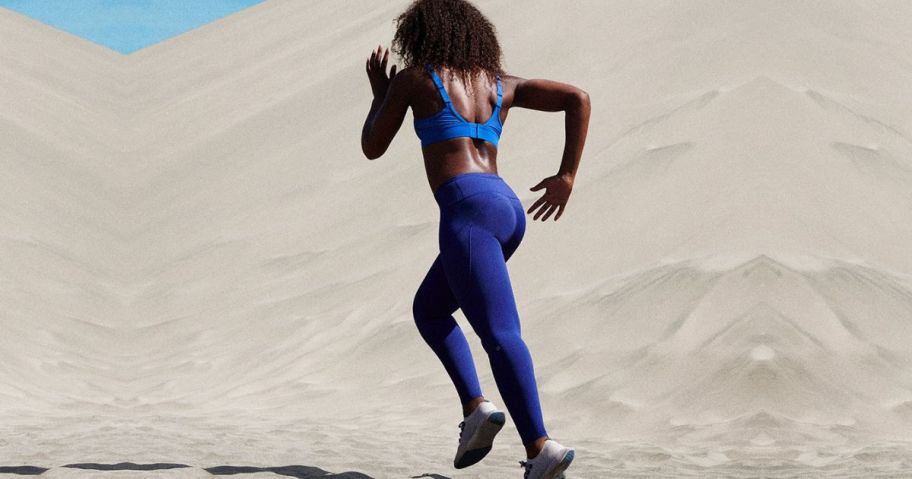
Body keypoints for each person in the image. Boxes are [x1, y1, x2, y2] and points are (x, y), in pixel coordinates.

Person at [361, 1, 590, 477]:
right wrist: (567, 175)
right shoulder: (499, 83)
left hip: (466, 209)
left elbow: (371, 147)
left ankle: (541, 445)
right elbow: (577, 98)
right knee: (430, 308)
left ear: (422, 36)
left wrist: (381, 95)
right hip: (505, 208)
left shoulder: (416, 80)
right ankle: (476, 408)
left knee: (499, 332)